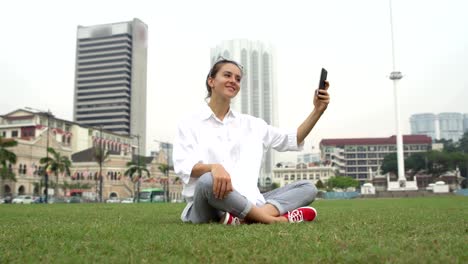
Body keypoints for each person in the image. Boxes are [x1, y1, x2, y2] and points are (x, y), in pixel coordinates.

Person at [173, 58, 330, 224]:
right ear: (211, 81)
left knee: (307, 187)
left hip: (250, 201)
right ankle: (274, 220)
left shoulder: (252, 124)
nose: (233, 81)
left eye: (238, 79)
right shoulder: (189, 122)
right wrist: (214, 167)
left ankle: (243, 219)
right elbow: (184, 166)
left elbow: (293, 138)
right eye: (227, 75)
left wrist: (317, 110)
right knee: (206, 181)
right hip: (209, 205)